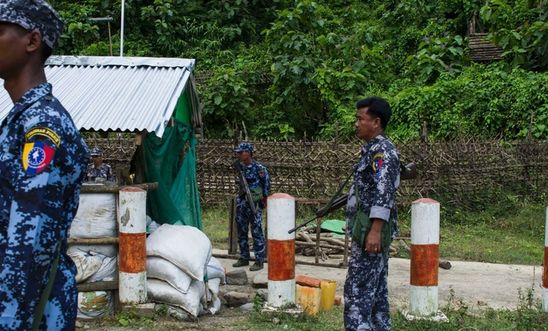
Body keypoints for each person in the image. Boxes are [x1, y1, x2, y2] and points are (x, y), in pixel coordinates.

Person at [0, 1, 89, 330]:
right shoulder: (19, 120)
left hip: (29, 306)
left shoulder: (42, 126)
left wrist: (8, 318)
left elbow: (32, 236)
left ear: (32, 42)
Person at [344, 97, 400, 330]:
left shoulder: (382, 153)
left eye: (360, 119)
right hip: (365, 229)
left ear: (376, 122)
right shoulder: (372, 150)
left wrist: (375, 231)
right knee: (376, 294)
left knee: (357, 293)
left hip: (370, 232)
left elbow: (383, 192)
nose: (356, 123)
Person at [232, 142, 270, 271]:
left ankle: (259, 260)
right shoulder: (240, 167)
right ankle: (244, 257)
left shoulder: (259, 168)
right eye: (238, 152)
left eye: (241, 152)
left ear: (248, 153)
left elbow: (266, 186)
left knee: (256, 231)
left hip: (254, 203)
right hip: (242, 203)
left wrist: (264, 200)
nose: (239, 154)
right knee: (242, 230)